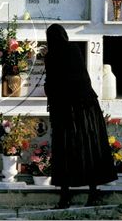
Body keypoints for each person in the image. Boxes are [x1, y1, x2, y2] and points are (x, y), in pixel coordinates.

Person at [44, 24, 117, 208]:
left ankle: (65, 197)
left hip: (66, 111)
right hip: (88, 108)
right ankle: (93, 194)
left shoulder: (52, 56)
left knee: (66, 152)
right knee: (90, 149)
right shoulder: (74, 49)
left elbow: (52, 85)